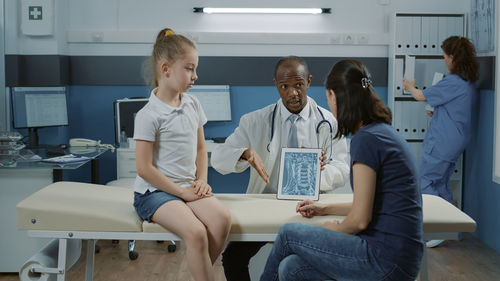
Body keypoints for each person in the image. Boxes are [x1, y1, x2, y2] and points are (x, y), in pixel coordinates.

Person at [260, 59, 424, 281]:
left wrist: (332, 230)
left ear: (334, 96)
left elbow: (359, 220)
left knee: (289, 233)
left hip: (384, 260)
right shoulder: (381, 132)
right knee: (291, 268)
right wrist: (324, 208)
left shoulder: (366, 140)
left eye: (329, 98)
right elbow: (372, 203)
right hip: (401, 258)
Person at [211, 56, 350, 281]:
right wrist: (245, 153)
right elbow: (218, 158)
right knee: (232, 258)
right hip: (264, 207)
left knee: (294, 265)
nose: (292, 93)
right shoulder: (254, 121)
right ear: (276, 84)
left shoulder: (329, 122)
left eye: (298, 85)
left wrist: (316, 173)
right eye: (284, 87)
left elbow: (342, 169)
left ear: (309, 81)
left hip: (308, 208)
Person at [132, 28, 231, 281]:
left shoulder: (193, 104)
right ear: (166, 69)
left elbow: (200, 148)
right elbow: (144, 169)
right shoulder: (148, 115)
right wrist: (182, 193)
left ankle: (200, 274)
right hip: (154, 193)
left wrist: (202, 180)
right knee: (196, 232)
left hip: (188, 185)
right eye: (189, 68)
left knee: (221, 220)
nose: (195, 76)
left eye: (195, 69)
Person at [403, 36, 479, 247]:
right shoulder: (467, 82)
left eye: (445, 56)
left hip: (443, 142)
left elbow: (420, 96)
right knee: (441, 183)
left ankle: (438, 229)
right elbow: (453, 111)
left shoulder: (452, 82)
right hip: (455, 139)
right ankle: (453, 228)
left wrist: (409, 86)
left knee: (424, 181)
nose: (444, 60)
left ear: (453, 58)